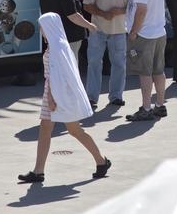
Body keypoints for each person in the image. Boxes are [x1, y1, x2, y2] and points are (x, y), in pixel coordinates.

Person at [17, 14, 112, 184]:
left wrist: (52, 98)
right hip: (54, 93)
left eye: (42, 27)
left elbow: (59, 76)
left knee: (74, 131)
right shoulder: (56, 45)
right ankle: (38, 171)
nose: (40, 31)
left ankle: (101, 160)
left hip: (58, 95)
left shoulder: (58, 47)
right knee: (46, 129)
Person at [81, 0, 132, 108]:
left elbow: (133, 7)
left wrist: (119, 11)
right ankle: (91, 98)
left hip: (118, 31)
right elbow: (86, 5)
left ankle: (116, 96)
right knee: (94, 63)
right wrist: (103, 13)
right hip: (98, 30)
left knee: (119, 64)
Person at [124, 0, 170, 122]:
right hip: (159, 32)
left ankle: (145, 108)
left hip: (145, 34)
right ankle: (159, 105)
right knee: (158, 70)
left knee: (145, 73)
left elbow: (141, 11)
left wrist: (134, 31)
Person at [38, 0, 96, 68]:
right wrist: (90, 26)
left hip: (54, 36)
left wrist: (45, 33)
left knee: (59, 69)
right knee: (71, 69)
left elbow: (44, 15)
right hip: (70, 36)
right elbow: (72, 15)